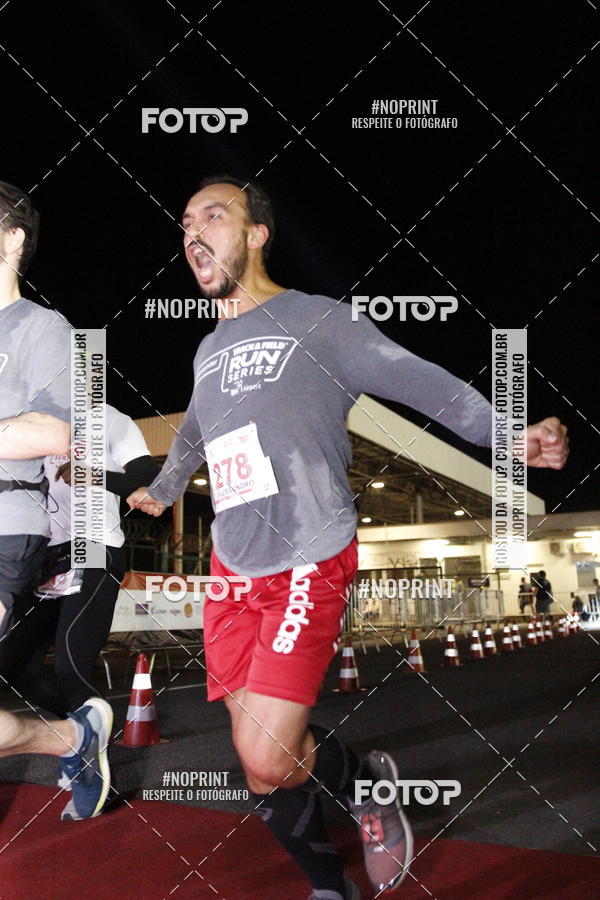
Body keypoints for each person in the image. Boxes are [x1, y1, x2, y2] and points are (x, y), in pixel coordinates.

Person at [128, 175, 570, 899]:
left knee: (269, 757)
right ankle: (329, 885)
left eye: (214, 216)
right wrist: (165, 488)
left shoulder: (319, 321)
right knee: (256, 758)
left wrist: (508, 436)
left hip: (307, 552)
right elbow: (197, 436)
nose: (193, 233)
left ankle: (366, 785)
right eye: (184, 223)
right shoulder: (206, 351)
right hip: (232, 567)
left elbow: (420, 382)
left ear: (258, 233)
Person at [0, 180, 111, 820]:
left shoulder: (42, 328)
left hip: (8, 526)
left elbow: (56, 432)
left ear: (13, 238)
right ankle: (69, 737)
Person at [2, 404, 158, 731]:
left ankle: (92, 763)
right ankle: (86, 732)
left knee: (71, 665)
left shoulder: (110, 419)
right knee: (13, 665)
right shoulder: (31, 420)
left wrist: (92, 474)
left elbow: (145, 476)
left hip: (94, 546)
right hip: (43, 554)